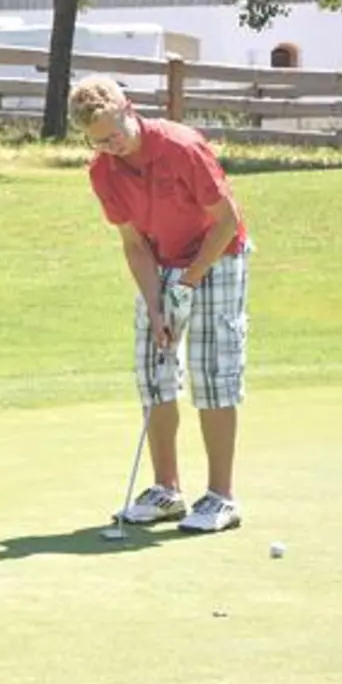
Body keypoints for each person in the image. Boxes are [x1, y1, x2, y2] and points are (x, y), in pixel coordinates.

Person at [69, 75, 252, 533]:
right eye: (99, 142)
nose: (111, 147)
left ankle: (220, 498)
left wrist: (188, 284)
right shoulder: (102, 171)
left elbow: (227, 222)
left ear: (129, 109)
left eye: (114, 134)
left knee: (213, 372)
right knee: (154, 372)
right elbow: (133, 244)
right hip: (162, 261)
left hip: (218, 255)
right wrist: (156, 306)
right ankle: (167, 491)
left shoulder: (181, 147)